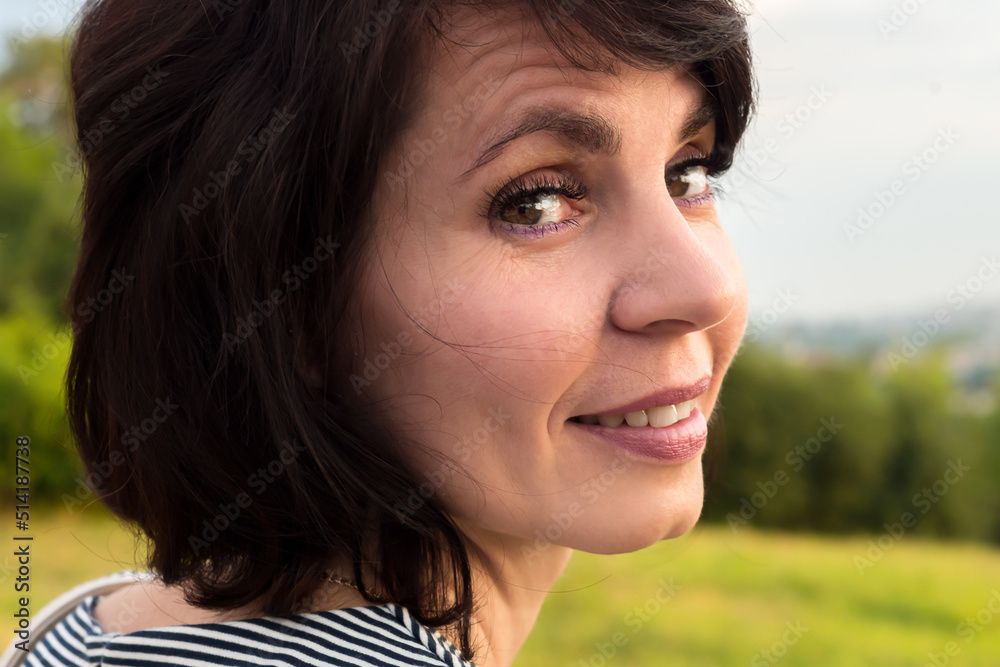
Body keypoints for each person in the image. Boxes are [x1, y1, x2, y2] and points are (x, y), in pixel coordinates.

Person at [15, 0, 755, 665]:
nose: (705, 287)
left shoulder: (85, 630)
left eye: (687, 173)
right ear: (286, 306)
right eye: (536, 202)